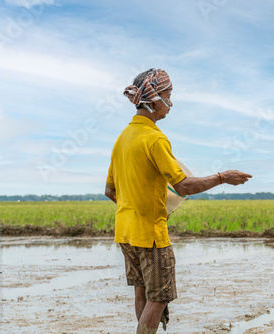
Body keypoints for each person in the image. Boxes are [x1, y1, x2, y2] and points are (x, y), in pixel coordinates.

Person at [104, 68, 252, 334]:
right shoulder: (155, 139)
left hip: (125, 232)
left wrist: (138, 205)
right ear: (152, 99)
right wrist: (222, 177)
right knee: (158, 297)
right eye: (168, 96)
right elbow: (183, 185)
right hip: (151, 234)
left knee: (142, 294)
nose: (170, 104)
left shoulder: (122, 138)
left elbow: (111, 191)